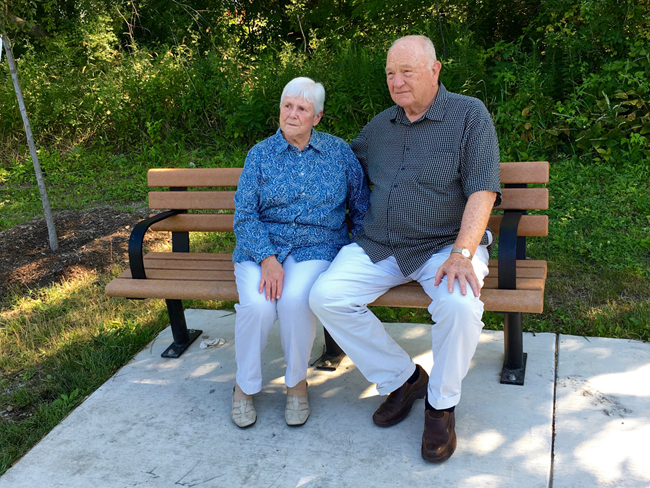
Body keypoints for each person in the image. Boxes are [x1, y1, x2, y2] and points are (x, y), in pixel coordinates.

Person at [309, 35, 501, 461]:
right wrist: (295, 143)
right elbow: (342, 163)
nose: (397, 82)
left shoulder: (469, 115)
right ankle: (402, 378)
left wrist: (463, 253)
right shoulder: (381, 126)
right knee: (326, 296)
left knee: (459, 305)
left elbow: (483, 190)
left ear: (435, 71)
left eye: (407, 72)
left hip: (443, 247)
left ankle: (441, 405)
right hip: (381, 244)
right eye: (391, 74)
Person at [231, 77, 370, 428]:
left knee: (295, 301)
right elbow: (245, 215)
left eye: (302, 109)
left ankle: (296, 384)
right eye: (287, 106)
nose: (292, 115)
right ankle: (244, 387)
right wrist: (267, 259)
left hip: (317, 247)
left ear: (317, 117)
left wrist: (365, 252)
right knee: (257, 307)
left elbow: (361, 206)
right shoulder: (259, 155)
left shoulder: (339, 153)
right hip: (260, 248)